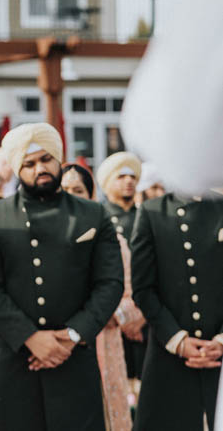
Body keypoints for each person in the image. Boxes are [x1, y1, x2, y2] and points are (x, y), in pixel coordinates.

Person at [0, 123, 123, 431]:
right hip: (16, 360)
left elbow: (110, 282)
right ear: (17, 169)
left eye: (45, 159)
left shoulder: (93, 214)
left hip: (75, 358)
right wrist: (30, 338)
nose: (39, 168)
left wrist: (72, 336)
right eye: (28, 163)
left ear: (58, 159)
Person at [130, 190, 223, 430]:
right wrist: (177, 340)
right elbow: (143, 288)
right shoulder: (152, 211)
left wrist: (221, 340)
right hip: (168, 356)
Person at [61, 163, 137, 431]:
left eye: (78, 190)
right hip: (59, 342)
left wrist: (105, 314)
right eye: (65, 189)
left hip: (104, 339)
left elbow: (133, 297)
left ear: (91, 194)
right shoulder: (39, 238)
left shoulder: (112, 239)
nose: (71, 195)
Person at [96, 151, 147, 381]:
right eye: (121, 176)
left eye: (132, 176)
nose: (129, 181)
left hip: (148, 314)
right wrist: (123, 315)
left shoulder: (147, 217)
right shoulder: (100, 219)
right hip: (111, 316)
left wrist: (141, 315)